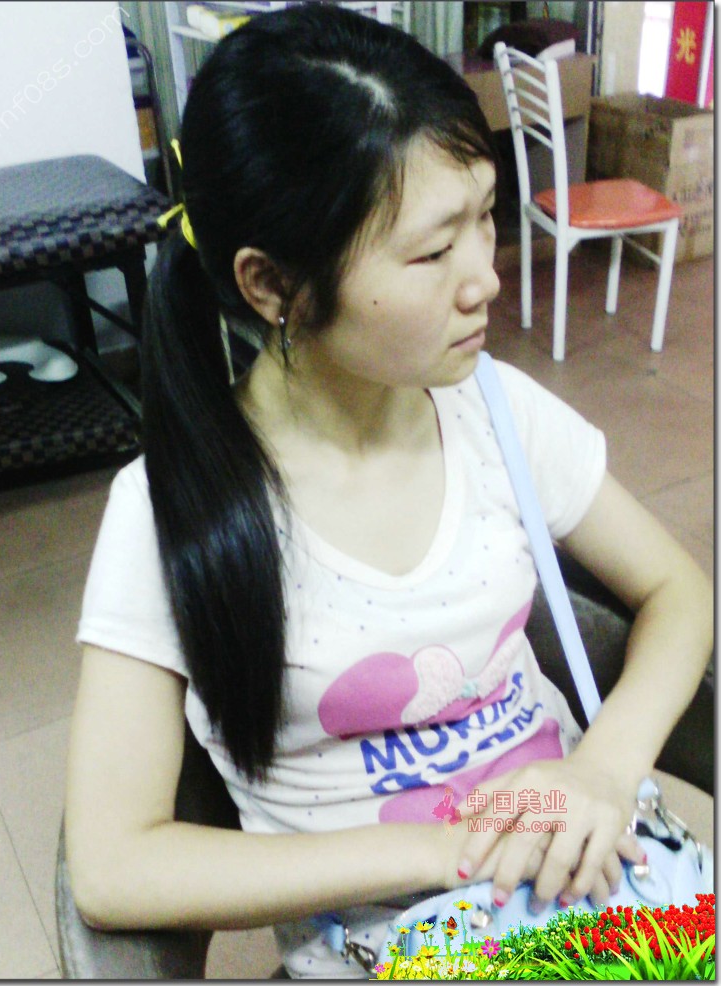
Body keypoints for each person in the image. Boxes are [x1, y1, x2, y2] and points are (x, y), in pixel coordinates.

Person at [65, 5, 713, 979]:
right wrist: (443, 850)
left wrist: (602, 766)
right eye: (430, 251)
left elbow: (677, 590)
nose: (483, 277)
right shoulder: (170, 507)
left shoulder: (498, 413)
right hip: (398, 941)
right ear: (271, 285)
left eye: (483, 216)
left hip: (594, 890)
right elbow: (114, 866)